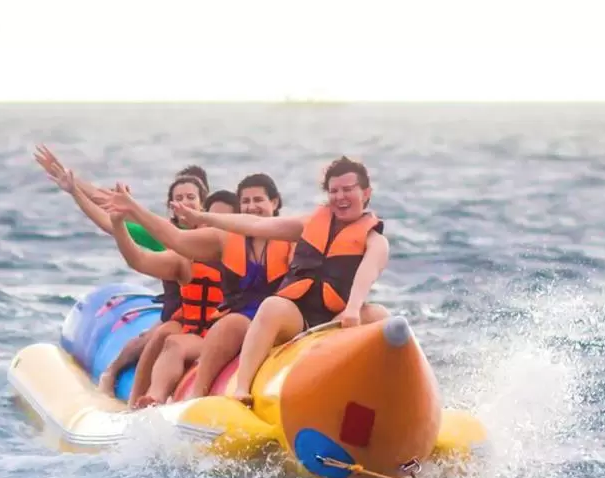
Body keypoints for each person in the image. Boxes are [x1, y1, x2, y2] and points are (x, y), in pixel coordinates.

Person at [170, 156, 390, 405]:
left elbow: (367, 272)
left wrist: (352, 309)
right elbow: (254, 224)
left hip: (338, 318)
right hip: (300, 317)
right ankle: (242, 387)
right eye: (334, 191)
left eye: (348, 189)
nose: (340, 197)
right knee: (272, 305)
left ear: (366, 192)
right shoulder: (309, 224)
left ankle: (387, 395)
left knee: (381, 316)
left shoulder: (376, 241)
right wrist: (205, 218)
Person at [34, 146, 222, 399]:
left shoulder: (220, 235)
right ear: (170, 206)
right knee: (152, 337)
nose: (186, 203)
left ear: (204, 202)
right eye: (180, 198)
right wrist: (74, 188)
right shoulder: (163, 234)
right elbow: (108, 212)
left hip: (212, 320)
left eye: (191, 197)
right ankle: (115, 375)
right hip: (177, 313)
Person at [107, 174, 292, 404]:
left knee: (190, 331)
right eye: (246, 201)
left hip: (276, 323)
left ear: (274, 203)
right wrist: (126, 215)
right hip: (223, 327)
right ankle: (183, 399)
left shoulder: (290, 238)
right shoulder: (212, 247)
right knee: (176, 335)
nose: (252, 207)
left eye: (259, 200)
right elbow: (156, 249)